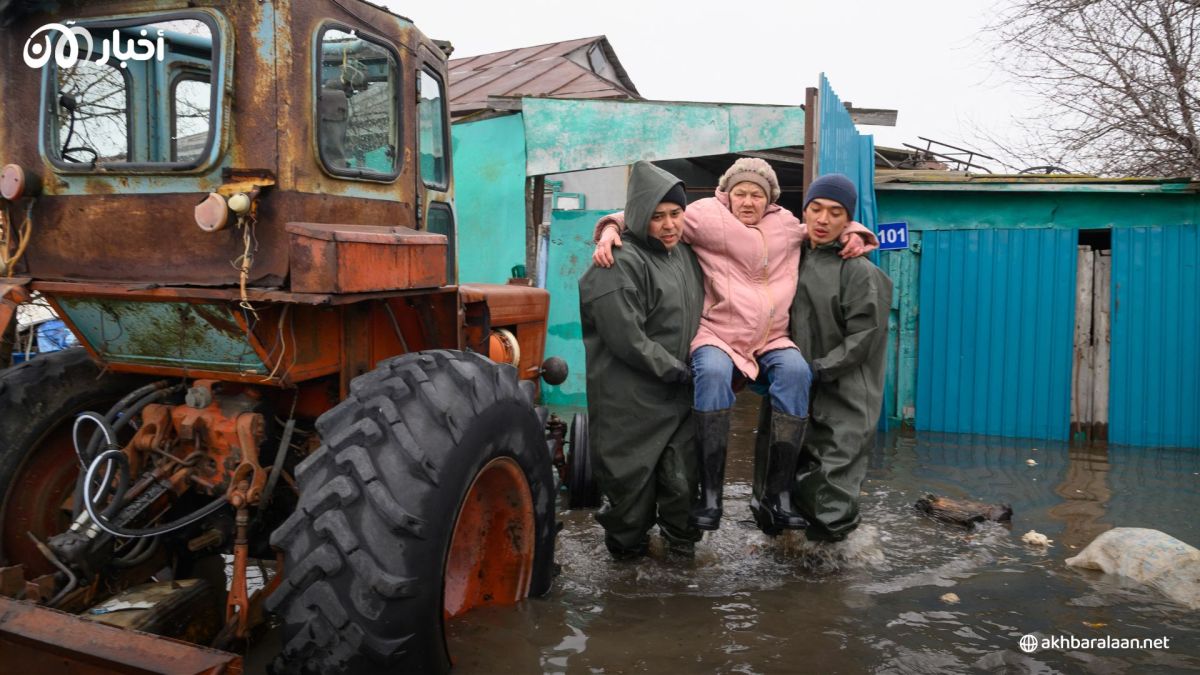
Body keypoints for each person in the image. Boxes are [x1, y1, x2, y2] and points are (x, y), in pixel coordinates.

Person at [593, 158, 878, 535]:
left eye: (757, 194)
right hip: (718, 333)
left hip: (771, 336)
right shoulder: (704, 217)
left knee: (796, 373)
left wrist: (856, 233)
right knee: (709, 373)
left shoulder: (787, 225)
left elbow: (825, 225)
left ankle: (778, 495)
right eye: (740, 192)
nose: (748, 201)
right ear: (727, 194)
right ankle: (711, 496)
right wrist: (610, 228)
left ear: (771, 199)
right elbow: (650, 210)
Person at [579, 161, 703, 559]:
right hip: (629, 408)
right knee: (629, 508)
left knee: (683, 494)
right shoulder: (614, 263)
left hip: (678, 402)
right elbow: (627, 340)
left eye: (675, 214)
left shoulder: (684, 255)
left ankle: (682, 584)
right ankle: (626, 595)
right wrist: (680, 371)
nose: (669, 225)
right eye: (657, 216)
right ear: (638, 217)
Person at [768, 173, 892, 542]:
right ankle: (793, 577)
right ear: (803, 211)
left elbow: (864, 337)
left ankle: (834, 579)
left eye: (835, 212)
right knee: (781, 482)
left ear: (848, 220)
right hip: (794, 387)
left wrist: (817, 369)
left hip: (845, 395)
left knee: (830, 487)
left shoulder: (860, 271)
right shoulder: (788, 255)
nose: (823, 219)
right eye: (815, 209)